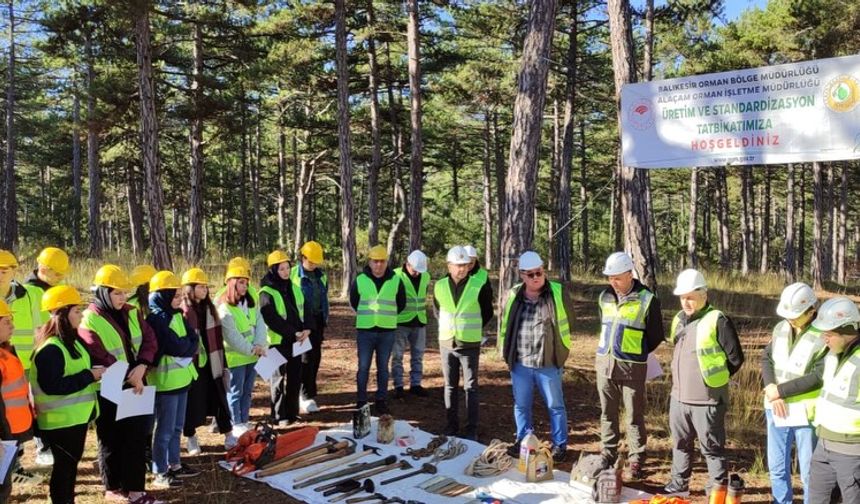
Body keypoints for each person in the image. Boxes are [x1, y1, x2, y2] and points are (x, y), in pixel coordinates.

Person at [77, 265, 160, 504]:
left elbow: (149, 340)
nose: (123, 298)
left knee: (136, 436)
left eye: (124, 293)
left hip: (136, 383)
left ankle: (135, 489)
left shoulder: (132, 312)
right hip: (110, 387)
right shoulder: (89, 319)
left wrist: (143, 365)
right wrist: (129, 375)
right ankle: (112, 487)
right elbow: (99, 353)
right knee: (111, 438)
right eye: (117, 293)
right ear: (103, 292)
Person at [664, 269, 744, 496]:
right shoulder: (679, 319)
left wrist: (716, 381)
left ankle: (716, 492)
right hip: (679, 397)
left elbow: (736, 358)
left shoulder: (718, 319)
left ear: (704, 294)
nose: (686, 302)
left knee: (712, 448)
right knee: (680, 444)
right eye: (682, 297)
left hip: (708, 400)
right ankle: (679, 484)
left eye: (690, 296)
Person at [595, 251, 664, 479]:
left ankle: (636, 458)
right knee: (607, 412)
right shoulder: (604, 297)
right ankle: (608, 451)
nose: (612, 281)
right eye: (609, 277)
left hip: (632, 367)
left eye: (616, 277)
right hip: (605, 365)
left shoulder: (647, 299)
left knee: (634, 415)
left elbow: (655, 336)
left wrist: (636, 351)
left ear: (629, 274)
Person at [30, 285, 102, 504]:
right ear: (63, 314)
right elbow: (53, 386)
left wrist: (95, 374)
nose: (81, 316)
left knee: (69, 468)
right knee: (64, 470)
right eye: (76, 311)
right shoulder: (51, 349)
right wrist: (89, 375)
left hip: (74, 419)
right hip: (60, 423)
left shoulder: (71, 342)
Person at [498, 251, 572, 462]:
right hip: (521, 363)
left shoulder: (556, 292)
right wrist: (507, 354)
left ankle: (560, 445)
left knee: (555, 405)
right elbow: (506, 326)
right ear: (521, 275)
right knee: (521, 405)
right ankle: (524, 440)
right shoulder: (514, 294)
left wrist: (562, 352)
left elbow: (569, 323)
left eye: (539, 272)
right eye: (530, 274)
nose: (536, 277)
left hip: (548, 362)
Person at [761, 283, 826, 504]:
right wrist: (771, 387)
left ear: (811, 310)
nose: (790, 319)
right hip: (775, 409)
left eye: (796, 315)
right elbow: (767, 358)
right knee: (777, 467)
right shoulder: (780, 328)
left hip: (805, 414)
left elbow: (819, 376)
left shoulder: (824, 335)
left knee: (809, 471)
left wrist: (780, 391)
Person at [146, 271, 200, 489]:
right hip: (165, 383)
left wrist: (186, 345)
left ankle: (175, 464)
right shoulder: (157, 318)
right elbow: (174, 345)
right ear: (162, 295)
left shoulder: (177, 314)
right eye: (175, 296)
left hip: (182, 380)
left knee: (177, 427)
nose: (180, 300)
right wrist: (186, 346)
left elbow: (193, 339)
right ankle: (160, 470)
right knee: (165, 430)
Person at [433, 245, 493, 440]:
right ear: (449, 266)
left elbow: (487, 312)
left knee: (470, 387)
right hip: (447, 343)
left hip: (469, 344)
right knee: (450, 386)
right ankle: (451, 425)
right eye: (457, 265)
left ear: (469, 266)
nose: (461, 269)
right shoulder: (439, 286)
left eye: (465, 265)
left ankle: (471, 428)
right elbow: (437, 310)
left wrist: (471, 328)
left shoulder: (478, 285)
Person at [806, 297, 860, 503]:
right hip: (823, 446)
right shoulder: (831, 355)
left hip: (852, 454)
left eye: (829, 334)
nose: (824, 339)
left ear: (847, 331)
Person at [0, 250, 49, 469]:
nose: (0, 275)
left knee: (23, 411)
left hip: (25, 362)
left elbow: (39, 326)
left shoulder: (27, 294)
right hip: (3, 365)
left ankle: (17, 463)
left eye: (4, 270)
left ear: (13, 271)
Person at [179, 267, 231, 455]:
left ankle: (228, 433)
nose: (205, 290)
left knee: (219, 398)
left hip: (212, 361)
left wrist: (223, 363)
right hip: (193, 365)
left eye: (206, 287)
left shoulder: (210, 308)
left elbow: (218, 338)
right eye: (200, 287)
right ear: (189, 288)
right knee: (192, 403)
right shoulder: (182, 310)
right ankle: (191, 437)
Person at [348, 245, 406, 415]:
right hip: (365, 331)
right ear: (370, 262)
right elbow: (354, 301)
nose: (379, 265)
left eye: (382, 261)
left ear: (386, 262)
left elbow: (401, 304)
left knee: (383, 367)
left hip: (387, 331)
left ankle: (381, 400)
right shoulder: (360, 280)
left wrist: (387, 316)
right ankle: (361, 401)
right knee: (363, 366)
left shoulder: (396, 280)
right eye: (375, 261)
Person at [217, 264, 267, 445]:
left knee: (247, 392)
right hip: (236, 358)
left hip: (253, 356)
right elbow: (232, 337)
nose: (245, 286)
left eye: (246, 283)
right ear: (231, 284)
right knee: (235, 392)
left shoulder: (250, 304)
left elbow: (260, 323)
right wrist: (253, 349)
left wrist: (260, 344)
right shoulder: (225, 308)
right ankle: (235, 423)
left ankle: (244, 421)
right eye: (241, 283)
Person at [260, 251, 307, 426]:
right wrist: (292, 332)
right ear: (273, 270)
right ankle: (279, 415)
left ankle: (293, 412)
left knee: (295, 376)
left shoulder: (294, 287)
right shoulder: (266, 292)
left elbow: (305, 309)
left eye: (288, 268)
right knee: (277, 378)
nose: (286, 272)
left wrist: (306, 329)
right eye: (281, 269)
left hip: (298, 340)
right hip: (276, 342)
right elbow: (271, 318)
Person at [0, 299, 35, 500]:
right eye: (7, 322)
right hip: (3, 435)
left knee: (4, 483)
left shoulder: (6, 352)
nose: (13, 326)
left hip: (10, 433)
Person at [293, 241, 329, 414]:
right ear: (303, 257)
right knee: (304, 359)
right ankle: (304, 395)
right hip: (301, 323)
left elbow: (324, 296)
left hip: (317, 321)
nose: (314, 264)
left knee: (315, 357)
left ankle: (310, 391)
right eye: (311, 261)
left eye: (316, 261)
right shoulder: (294, 275)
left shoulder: (321, 276)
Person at [391, 250, 430, 399]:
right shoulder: (395, 275)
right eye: (414, 270)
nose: (417, 273)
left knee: (418, 355)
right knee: (397, 356)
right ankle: (398, 386)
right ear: (407, 264)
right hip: (400, 322)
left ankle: (415, 384)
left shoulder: (425, 276)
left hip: (419, 321)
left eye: (419, 271)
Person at [25, 247, 71, 324]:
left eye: (63, 274)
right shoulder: (26, 292)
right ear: (43, 270)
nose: (62, 278)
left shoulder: (58, 286)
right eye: (58, 274)